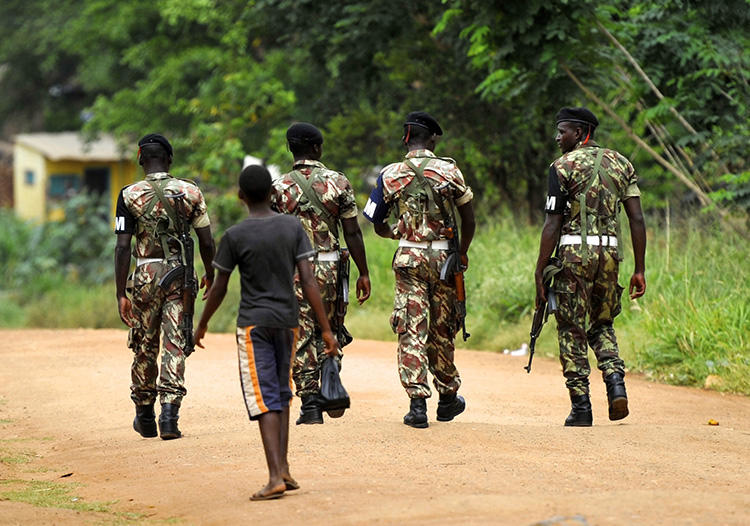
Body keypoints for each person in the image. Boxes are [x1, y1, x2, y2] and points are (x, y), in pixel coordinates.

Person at [194, 164, 337, 501]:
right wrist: (326, 328)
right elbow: (309, 279)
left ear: (240, 196)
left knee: (264, 398)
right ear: (273, 193)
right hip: (288, 322)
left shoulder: (235, 235)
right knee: (283, 393)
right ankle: (284, 469)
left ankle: (274, 476)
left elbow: (219, 287)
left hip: (254, 324)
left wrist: (202, 323)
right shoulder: (292, 228)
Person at [534, 107, 647, 427]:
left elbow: (552, 223)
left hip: (574, 258)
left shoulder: (561, 167)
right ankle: (615, 383)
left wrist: (540, 269)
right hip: (611, 257)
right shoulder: (622, 164)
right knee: (603, 321)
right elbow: (636, 218)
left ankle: (581, 406)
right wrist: (639, 268)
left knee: (571, 327)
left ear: (581, 132)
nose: (558, 138)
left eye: (563, 131)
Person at [363, 111, 476, 428]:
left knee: (412, 327)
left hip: (409, 259)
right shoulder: (449, 171)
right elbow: (469, 217)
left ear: (406, 138)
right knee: (442, 328)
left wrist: (394, 232)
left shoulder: (390, 174)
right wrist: (462, 252)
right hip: (443, 261)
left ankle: (416, 405)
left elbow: (374, 217)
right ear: (433, 139)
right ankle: (448, 398)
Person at [114, 133, 215, 439]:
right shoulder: (190, 191)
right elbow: (207, 240)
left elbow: (122, 246)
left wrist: (121, 292)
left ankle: (145, 414)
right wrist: (210, 272)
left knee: (144, 343)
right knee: (174, 343)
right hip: (180, 276)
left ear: (140, 159)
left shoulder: (128, 194)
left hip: (145, 276)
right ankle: (169, 416)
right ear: (170, 159)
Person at [270, 122, 371, 425]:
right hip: (331, 266)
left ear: (290, 149)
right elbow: (352, 232)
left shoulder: (278, 188)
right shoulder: (338, 182)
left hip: (294, 270)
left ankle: (311, 403)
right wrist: (364, 272)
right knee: (332, 326)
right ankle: (330, 377)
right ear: (317, 148)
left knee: (300, 332)